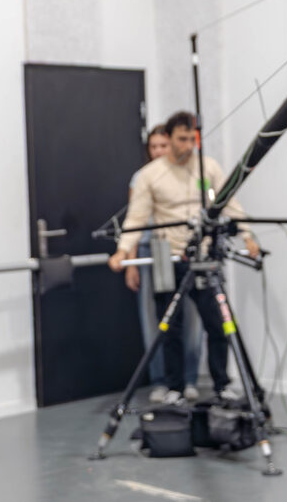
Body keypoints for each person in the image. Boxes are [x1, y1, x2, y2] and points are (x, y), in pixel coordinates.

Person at [109, 111, 260, 404]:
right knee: (170, 326)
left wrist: (248, 235)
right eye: (181, 139)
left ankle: (221, 384)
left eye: (192, 139)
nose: (188, 145)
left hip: (204, 256)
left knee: (218, 324)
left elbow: (229, 203)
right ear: (169, 138)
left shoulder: (208, 168)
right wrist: (123, 250)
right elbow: (137, 217)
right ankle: (175, 387)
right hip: (169, 256)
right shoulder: (151, 175)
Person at [124, 124, 205, 403]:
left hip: (185, 249)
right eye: (154, 146)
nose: (158, 151)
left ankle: (190, 378)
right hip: (155, 248)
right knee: (160, 319)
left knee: (193, 318)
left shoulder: (191, 171)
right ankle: (162, 380)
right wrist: (131, 261)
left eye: (163, 145)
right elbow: (133, 220)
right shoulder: (142, 177)